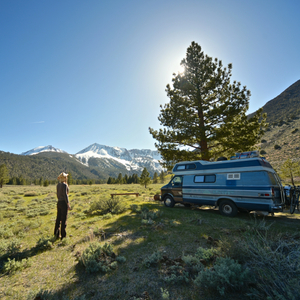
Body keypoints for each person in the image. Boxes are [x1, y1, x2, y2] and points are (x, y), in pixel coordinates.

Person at [54, 172, 71, 240]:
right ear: (64, 178)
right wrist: (68, 204)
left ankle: (56, 234)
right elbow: (65, 195)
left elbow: (58, 194)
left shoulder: (58, 185)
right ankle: (63, 236)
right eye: (66, 177)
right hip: (63, 203)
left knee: (58, 219)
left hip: (59, 202)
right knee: (63, 219)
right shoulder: (64, 185)